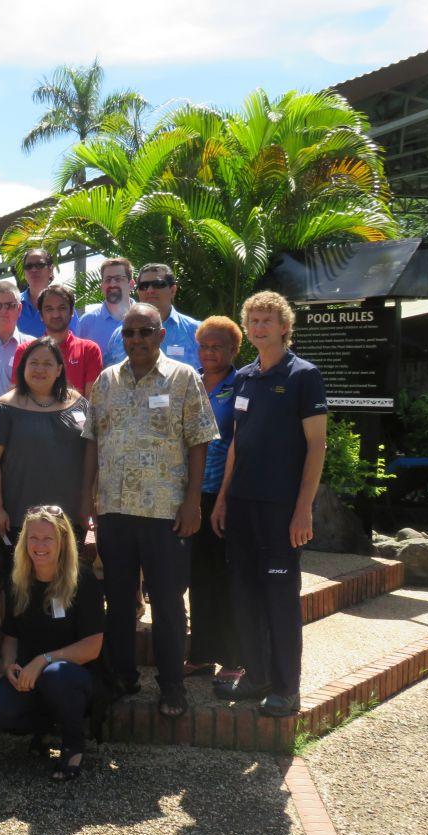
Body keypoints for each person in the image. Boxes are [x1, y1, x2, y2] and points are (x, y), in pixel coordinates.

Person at [82, 302, 219, 718]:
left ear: (162, 334)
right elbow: (92, 440)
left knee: (168, 602)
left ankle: (172, 685)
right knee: (119, 600)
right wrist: (88, 499)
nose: (136, 340)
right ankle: (123, 676)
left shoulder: (183, 379)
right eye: (129, 333)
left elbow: (199, 441)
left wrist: (193, 500)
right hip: (115, 510)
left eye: (145, 331)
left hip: (166, 511)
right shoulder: (106, 381)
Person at [212, 291, 327, 718]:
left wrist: (304, 509)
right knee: (244, 595)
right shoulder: (244, 378)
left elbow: (317, 446)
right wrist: (223, 498)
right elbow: (237, 444)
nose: (259, 328)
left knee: (279, 597)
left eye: (267, 321)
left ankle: (286, 687)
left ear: (284, 326)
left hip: (281, 509)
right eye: (253, 321)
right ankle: (257, 675)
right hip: (241, 505)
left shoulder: (304, 375)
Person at [0, 506, 104, 780]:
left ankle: (73, 744)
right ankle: (43, 727)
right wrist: (9, 664)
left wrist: (44, 660)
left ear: (62, 542)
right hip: (31, 674)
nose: (39, 546)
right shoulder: (18, 581)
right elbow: (11, 637)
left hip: (75, 675)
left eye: (47, 539)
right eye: (33, 538)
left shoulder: (83, 580)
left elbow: (93, 646)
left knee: (55, 675)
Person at [0, 336, 91, 560]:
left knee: (65, 587)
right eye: (34, 363)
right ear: (23, 367)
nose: (40, 369)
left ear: (59, 369)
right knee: (21, 588)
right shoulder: (4, 409)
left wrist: (87, 503)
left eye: (47, 364)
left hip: (69, 516)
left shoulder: (79, 404)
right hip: (19, 517)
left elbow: (91, 453)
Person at [187, 316, 244, 683]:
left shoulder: (241, 384)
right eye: (204, 345)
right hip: (192, 494)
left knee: (226, 578)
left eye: (217, 346)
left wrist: (224, 498)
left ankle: (234, 657)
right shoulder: (189, 380)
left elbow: (240, 443)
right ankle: (202, 654)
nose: (209, 352)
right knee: (198, 576)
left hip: (224, 495)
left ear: (234, 349)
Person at [12, 285, 103, 397]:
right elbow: (17, 397)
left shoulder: (89, 350)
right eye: (49, 309)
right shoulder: (24, 351)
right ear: (41, 315)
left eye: (62, 308)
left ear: (71, 312)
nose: (56, 314)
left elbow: (91, 401)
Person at [105, 263, 201, 365]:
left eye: (157, 284)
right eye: (143, 286)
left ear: (172, 290)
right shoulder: (120, 334)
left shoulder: (195, 332)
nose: (150, 290)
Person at [77, 257, 135, 354]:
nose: (112, 284)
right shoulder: (86, 322)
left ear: (131, 284)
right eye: (108, 280)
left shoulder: (147, 319)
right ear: (102, 286)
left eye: (118, 279)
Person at [16, 247, 77, 337]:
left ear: (51, 270)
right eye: (28, 266)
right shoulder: (13, 305)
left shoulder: (65, 306)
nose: (33, 270)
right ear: (24, 273)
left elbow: (73, 342)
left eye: (39, 265)